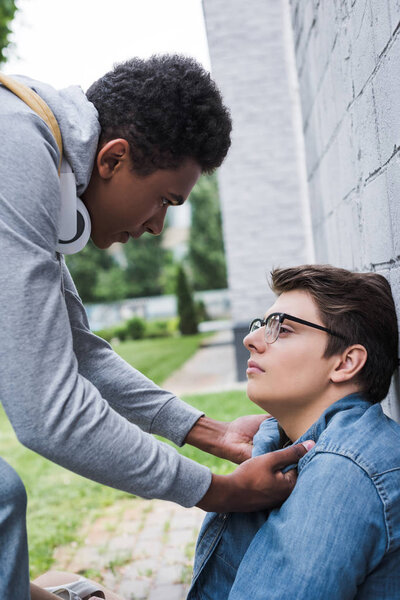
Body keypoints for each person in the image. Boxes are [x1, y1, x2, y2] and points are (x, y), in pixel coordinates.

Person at [0, 55, 312, 599]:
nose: (155, 227)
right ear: (112, 158)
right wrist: (218, 493)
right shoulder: (16, 150)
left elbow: (79, 352)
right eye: (164, 201)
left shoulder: (43, 153)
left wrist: (212, 434)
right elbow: (49, 412)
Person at [187, 264, 400, 600]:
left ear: (345, 363)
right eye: (261, 325)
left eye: (282, 329)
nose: (250, 339)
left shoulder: (344, 473)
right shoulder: (287, 447)